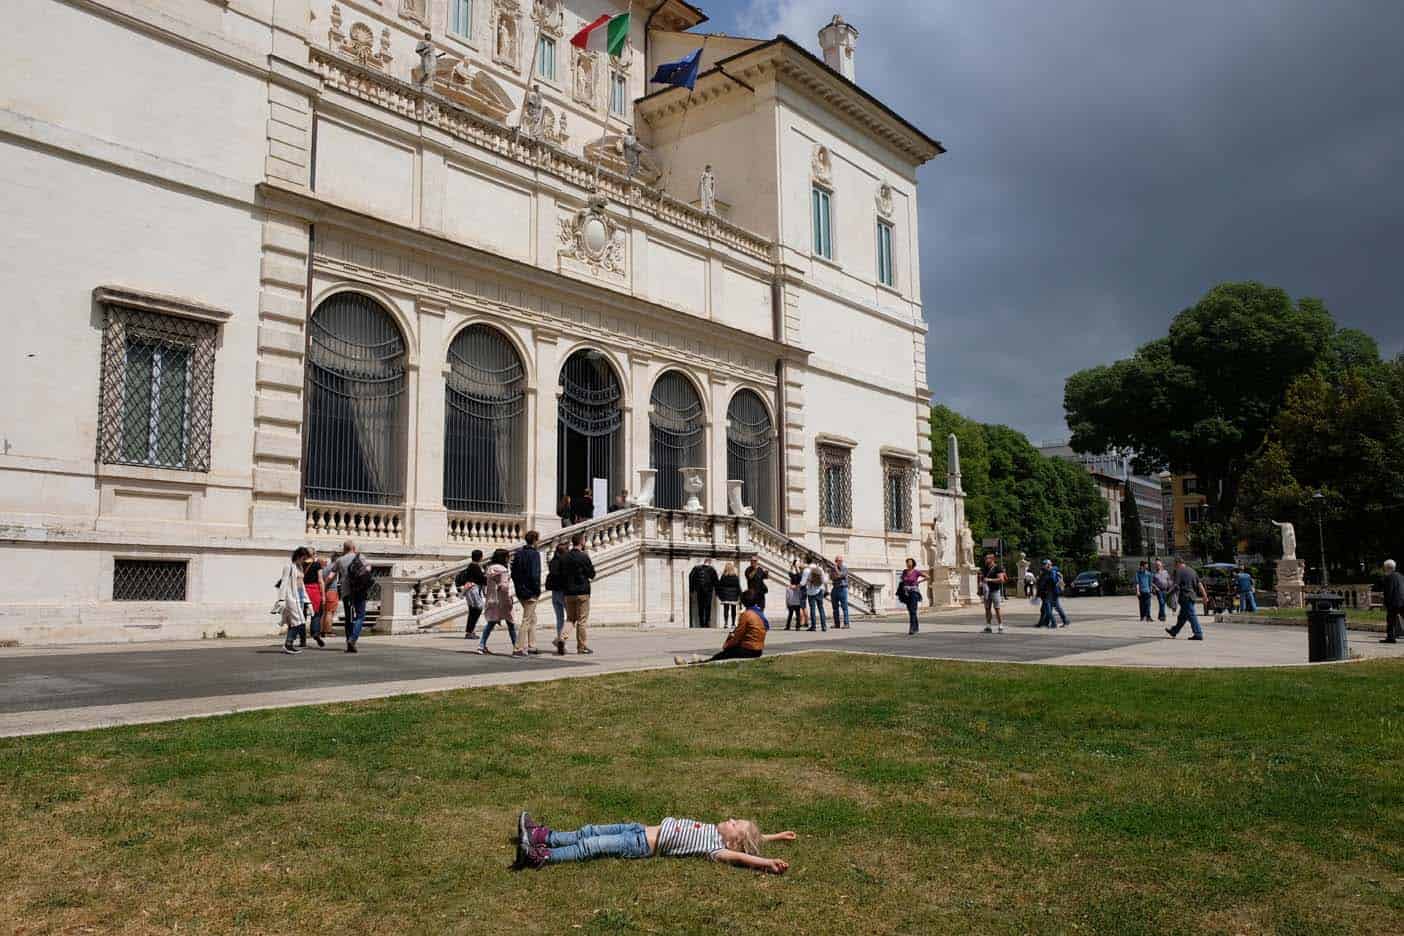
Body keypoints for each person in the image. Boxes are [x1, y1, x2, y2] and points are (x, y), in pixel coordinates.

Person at [515, 810, 795, 874]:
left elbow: (745, 856)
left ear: (733, 842)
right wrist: (776, 836)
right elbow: (753, 840)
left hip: (637, 845)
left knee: (590, 846)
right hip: (637, 828)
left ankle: (541, 857)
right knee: (589, 831)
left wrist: (767, 863)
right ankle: (544, 836)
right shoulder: (716, 830)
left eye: (735, 825)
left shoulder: (717, 848)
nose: (731, 819)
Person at [675, 589, 768, 665]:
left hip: (749, 650)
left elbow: (737, 635)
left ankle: (695, 664)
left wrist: (727, 645)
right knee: (724, 654)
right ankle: (700, 661)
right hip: (758, 650)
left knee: (722, 655)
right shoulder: (759, 613)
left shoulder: (747, 615)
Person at [328, 539, 371, 653]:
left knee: (349, 618)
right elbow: (368, 569)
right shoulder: (360, 557)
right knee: (360, 616)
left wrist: (325, 586)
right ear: (354, 548)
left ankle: (348, 643)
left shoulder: (339, 560)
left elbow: (331, 575)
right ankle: (353, 639)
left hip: (346, 592)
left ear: (344, 549)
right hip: (359, 590)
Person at [475, 548, 519, 655]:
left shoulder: (489, 569)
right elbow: (504, 587)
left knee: (490, 623)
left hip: (491, 599)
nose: (509, 559)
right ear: (504, 557)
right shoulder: (503, 570)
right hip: (502, 600)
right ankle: (516, 647)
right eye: (508, 557)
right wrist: (508, 600)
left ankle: (481, 645)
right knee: (511, 624)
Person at [560, 532, 595, 654]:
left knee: (570, 618)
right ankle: (582, 646)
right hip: (582, 591)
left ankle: (562, 638)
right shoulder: (584, 556)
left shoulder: (565, 557)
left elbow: (561, 574)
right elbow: (591, 574)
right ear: (581, 542)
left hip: (568, 592)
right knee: (582, 620)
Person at [510, 531, 543, 655]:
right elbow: (535, 574)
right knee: (527, 619)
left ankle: (532, 645)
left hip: (521, 590)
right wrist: (536, 590)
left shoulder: (519, 553)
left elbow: (513, 573)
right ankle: (518, 648)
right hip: (530, 591)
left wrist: (519, 587)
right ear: (535, 540)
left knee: (532, 618)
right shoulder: (534, 554)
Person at [278, 547, 313, 654]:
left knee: (295, 622)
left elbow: (302, 585)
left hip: (300, 597)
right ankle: (288, 644)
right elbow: (283, 583)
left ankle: (289, 644)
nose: (304, 561)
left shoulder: (300, 567)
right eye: (304, 558)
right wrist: (281, 599)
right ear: (299, 556)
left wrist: (308, 601)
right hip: (291, 598)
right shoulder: (289, 567)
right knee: (299, 621)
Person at [1166, 557, 1208, 641]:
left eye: (1175, 565)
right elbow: (1199, 584)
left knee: (1192, 616)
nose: (1175, 567)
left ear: (1178, 563)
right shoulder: (1192, 571)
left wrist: (1168, 594)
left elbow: (1176, 586)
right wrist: (1205, 596)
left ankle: (1198, 633)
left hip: (1185, 597)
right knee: (1182, 617)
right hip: (1192, 596)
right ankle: (1174, 631)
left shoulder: (1179, 571)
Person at [455, 549, 487, 639]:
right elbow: (481, 579)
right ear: (480, 557)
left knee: (473, 610)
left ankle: (470, 631)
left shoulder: (471, 566)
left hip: (470, 590)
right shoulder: (475, 567)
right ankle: (470, 632)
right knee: (477, 610)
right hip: (473, 589)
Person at [302, 547, 327, 648]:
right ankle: (315, 633)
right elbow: (320, 580)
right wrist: (323, 595)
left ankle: (302, 640)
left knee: (302, 616)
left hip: (302, 591)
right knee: (316, 613)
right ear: (313, 555)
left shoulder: (300, 564)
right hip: (314, 590)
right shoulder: (317, 565)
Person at [546, 543, 568, 651]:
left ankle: (559, 638)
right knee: (571, 618)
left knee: (560, 618)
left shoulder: (552, 562)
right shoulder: (565, 562)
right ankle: (561, 639)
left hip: (554, 592)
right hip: (564, 592)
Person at [897, 558, 927, 635]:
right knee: (911, 611)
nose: (908, 564)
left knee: (913, 611)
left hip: (914, 592)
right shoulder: (904, 571)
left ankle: (912, 628)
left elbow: (927, 577)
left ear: (913, 563)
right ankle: (916, 627)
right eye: (907, 562)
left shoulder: (916, 572)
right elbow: (902, 580)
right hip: (906, 593)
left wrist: (918, 582)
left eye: (909, 562)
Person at [979, 553, 1007, 634]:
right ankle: (988, 626)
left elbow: (1001, 579)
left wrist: (990, 580)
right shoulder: (985, 568)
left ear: (992, 559)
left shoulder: (997, 568)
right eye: (985, 558)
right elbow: (982, 578)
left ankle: (1000, 625)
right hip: (986, 591)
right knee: (987, 609)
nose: (986, 560)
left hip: (995, 591)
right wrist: (981, 583)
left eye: (987, 558)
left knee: (997, 609)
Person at [690, 559, 719, 628]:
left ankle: (701, 623)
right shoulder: (712, 570)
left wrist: (692, 590)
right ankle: (707, 623)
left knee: (700, 606)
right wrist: (717, 592)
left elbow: (692, 579)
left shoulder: (696, 569)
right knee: (708, 607)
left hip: (699, 590)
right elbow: (716, 582)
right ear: (709, 562)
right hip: (708, 590)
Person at [1380, 559, 1402, 644]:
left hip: (1394, 602)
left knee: (1390, 620)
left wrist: (1385, 603)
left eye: (1384, 568)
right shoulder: (1401, 576)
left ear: (1387, 568)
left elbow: (1388, 591)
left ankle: (1391, 638)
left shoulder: (1388, 577)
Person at [803, 561, 829, 632]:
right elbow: (825, 581)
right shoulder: (820, 569)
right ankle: (824, 626)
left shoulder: (807, 570)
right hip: (819, 590)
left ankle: (813, 626)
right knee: (821, 609)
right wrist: (827, 590)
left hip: (811, 592)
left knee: (812, 609)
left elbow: (803, 582)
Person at [715, 562, 742, 629]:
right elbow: (738, 587)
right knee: (733, 609)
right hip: (733, 595)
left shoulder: (723, 577)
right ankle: (733, 623)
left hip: (725, 595)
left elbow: (720, 586)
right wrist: (740, 595)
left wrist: (720, 595)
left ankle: (726, 623)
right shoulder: (735, 577)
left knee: (726, 609)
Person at [830, 556, 851, 629]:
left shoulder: (845, 568)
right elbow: (832, 577)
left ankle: (846, 623)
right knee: (835, 607)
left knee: (844, 607)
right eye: (837, 561)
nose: (839, 562)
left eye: (840, 561)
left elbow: (840, 575)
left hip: (842, 588)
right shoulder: (832, 569)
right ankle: (837, 623)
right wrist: (836, 575)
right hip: (835, 588)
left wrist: (836, 571)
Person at [784, 561, 805, 631]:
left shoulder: (789, 588)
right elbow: (799, 574)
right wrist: (796, 567)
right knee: (798, 614)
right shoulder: (798, 587)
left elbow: (789, 572)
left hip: (791, 602)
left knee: (790, 614)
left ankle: (788, 626)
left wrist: (792, 566)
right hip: (797, 602)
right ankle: (797, 627)